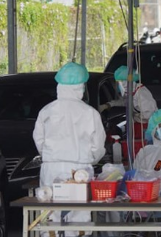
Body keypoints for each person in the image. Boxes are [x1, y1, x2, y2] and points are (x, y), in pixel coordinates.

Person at [33, 62, 106, 237]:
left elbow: (39, 140)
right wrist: (91, 159)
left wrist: (50, 156)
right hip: (80, 170)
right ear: (81, 87)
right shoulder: (90, 113)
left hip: (51, 167)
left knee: (50, 214)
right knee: (79, 216)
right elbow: (98, 145)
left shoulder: (46, 111)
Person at [133, 109, 161, 197]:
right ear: (153, 129)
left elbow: (158, 170)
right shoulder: (144, 151)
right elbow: (135, 172)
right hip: (140, 194)